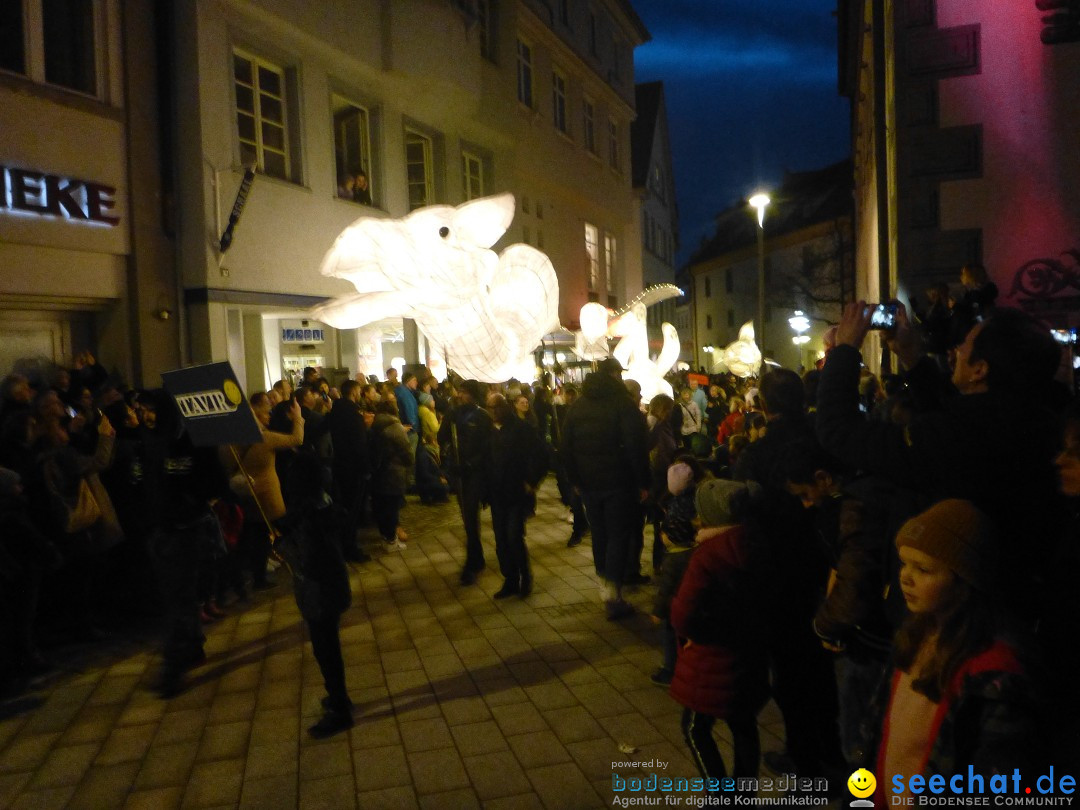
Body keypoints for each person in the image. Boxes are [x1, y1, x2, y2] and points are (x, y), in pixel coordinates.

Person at [816, 302, 1064, 621]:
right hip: (1017, 603)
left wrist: (846, 350)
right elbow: (955, 413)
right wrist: (911, 357)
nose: (957, 349)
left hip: (953, 620)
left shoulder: (960, 436)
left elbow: (838, 431)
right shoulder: (1038, 424)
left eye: (966, 344)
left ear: (980, 369)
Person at [872, 499, 1036, 791]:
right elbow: (880, 725)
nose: (905, 577)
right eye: (904, 563)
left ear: (964, 583)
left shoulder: (993, 673)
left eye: (923, 569)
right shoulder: (916, 635)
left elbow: (994, 780)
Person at [669, 478, 769, 789]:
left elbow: (683, 612)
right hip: (750, 653)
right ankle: (743, 795)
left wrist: (691, 635)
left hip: (710, 657)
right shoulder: (760, 543)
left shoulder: (708, 555)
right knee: (743, 725)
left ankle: (720, 795)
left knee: (695, 728)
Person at [560, 357, 649, 620]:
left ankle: (604, 583)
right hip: (618, 482)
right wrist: (643, 482)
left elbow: (565, 447)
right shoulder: (622, 405)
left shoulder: (577, 407)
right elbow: (636, 446)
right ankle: (613, 589)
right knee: (619, 535)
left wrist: (575, 479)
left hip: (588, 484)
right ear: (614, 377)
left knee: (600, 534)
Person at [276, 451, 354, 738]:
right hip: (330, 586)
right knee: (327, 645)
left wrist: (285, 543)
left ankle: (339, 707)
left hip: (320, 590)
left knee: (326, 648)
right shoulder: (322, 504)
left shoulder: (311, 517)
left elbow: (307, 558)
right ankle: (338, 696)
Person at [650, 456, 708, 687]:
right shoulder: (696, 502)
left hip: (676, 610)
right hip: (694, 608)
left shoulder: (674, 559)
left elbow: (666, 590)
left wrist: (657, 611)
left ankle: (670, 669)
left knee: (671, 631)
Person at [487, 394, 547, 598]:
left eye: (497, 407)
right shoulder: (489, 431)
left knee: (513, 536)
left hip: (516, 492)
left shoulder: (521, 429)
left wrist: (531, 481)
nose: (494, 412)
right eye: (490, 408)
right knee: (501, 539)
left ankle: (525, 577)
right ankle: (510, 579)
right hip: (497, 493)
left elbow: (541, 454)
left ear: (505, 407)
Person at [439, 380, 493, 585]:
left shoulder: (482, 417)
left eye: (465, 392)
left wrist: (472, 464)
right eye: (459, 391)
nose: (461, 395)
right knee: (468, 520)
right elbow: (442, 437)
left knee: (471, 519)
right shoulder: (455, 414)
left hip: (476, 474)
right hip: (459, 474)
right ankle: (476, 559)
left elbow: (488, 448)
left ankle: (473, 563)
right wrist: (448, 419)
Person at [325, 379, 370, 562]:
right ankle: (350, 548)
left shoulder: (335, 411)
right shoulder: (353, 415)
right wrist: (366, 468)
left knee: (345, 507)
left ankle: (345, 544)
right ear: (354, 392)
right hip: (353, 468)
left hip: (340, 465)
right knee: (352, 509)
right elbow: (359, 444)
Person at [368, 399, 413, 551]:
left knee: (381, 506)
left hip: (379, 472)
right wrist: (408, 462)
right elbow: (406, 450)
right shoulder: (395, 427)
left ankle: (385, 537)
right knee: (392, 507)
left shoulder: (375, 425)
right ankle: (391, 541)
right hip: (393, 472)